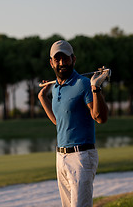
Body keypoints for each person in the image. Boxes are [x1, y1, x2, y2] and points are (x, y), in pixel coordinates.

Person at [38, 40, 109, 207]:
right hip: (61, 157)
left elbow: (100, 118)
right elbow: (59, 121)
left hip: (81, 157)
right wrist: (43, 98)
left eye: (66, 58)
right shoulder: (55, 88)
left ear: (73, 59)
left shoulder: (83, 84)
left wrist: (95, 87)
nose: (62, 63)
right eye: (58, 59)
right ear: (51, 62)